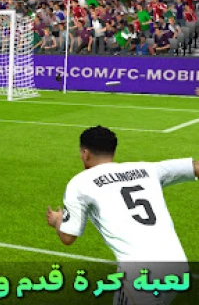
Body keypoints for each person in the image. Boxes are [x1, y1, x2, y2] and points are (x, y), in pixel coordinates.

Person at [46, 126, 198, 305]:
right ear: (113, 151)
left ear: (85, 154)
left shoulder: (80, 183)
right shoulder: (147, 168)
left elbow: (67, 237)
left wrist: (57, 221)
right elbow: (195, 167)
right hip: (178, 267)